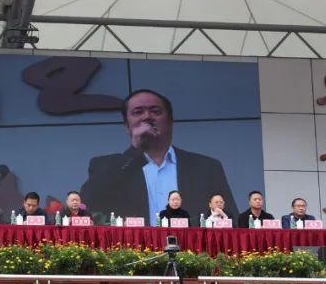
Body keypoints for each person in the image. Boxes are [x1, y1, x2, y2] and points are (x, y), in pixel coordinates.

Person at [80, 89, 237, 223]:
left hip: (190, 248)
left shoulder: (206, 167)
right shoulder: (107, 167)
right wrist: (135, 150)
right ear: (127, 126)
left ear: (170, 122)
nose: (147, 117)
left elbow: (230, 218)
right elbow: (87, 206)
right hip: (133, 249)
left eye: (155, 111)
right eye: (138, 112)